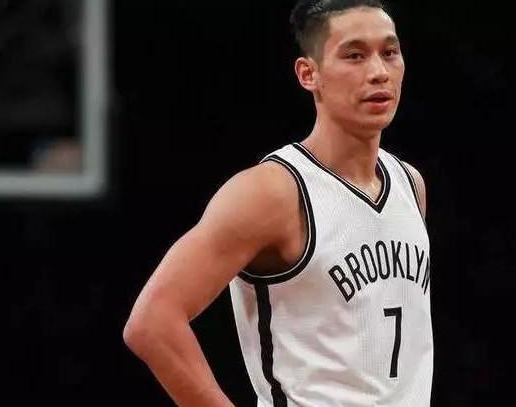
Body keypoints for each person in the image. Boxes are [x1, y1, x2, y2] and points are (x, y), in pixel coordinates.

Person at [123, 0, 433, 405]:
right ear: (309, 74)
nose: (378, 72)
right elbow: (152, 322)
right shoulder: (273, 192)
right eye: (354, 55)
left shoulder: (409, 183)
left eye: (389, 52)